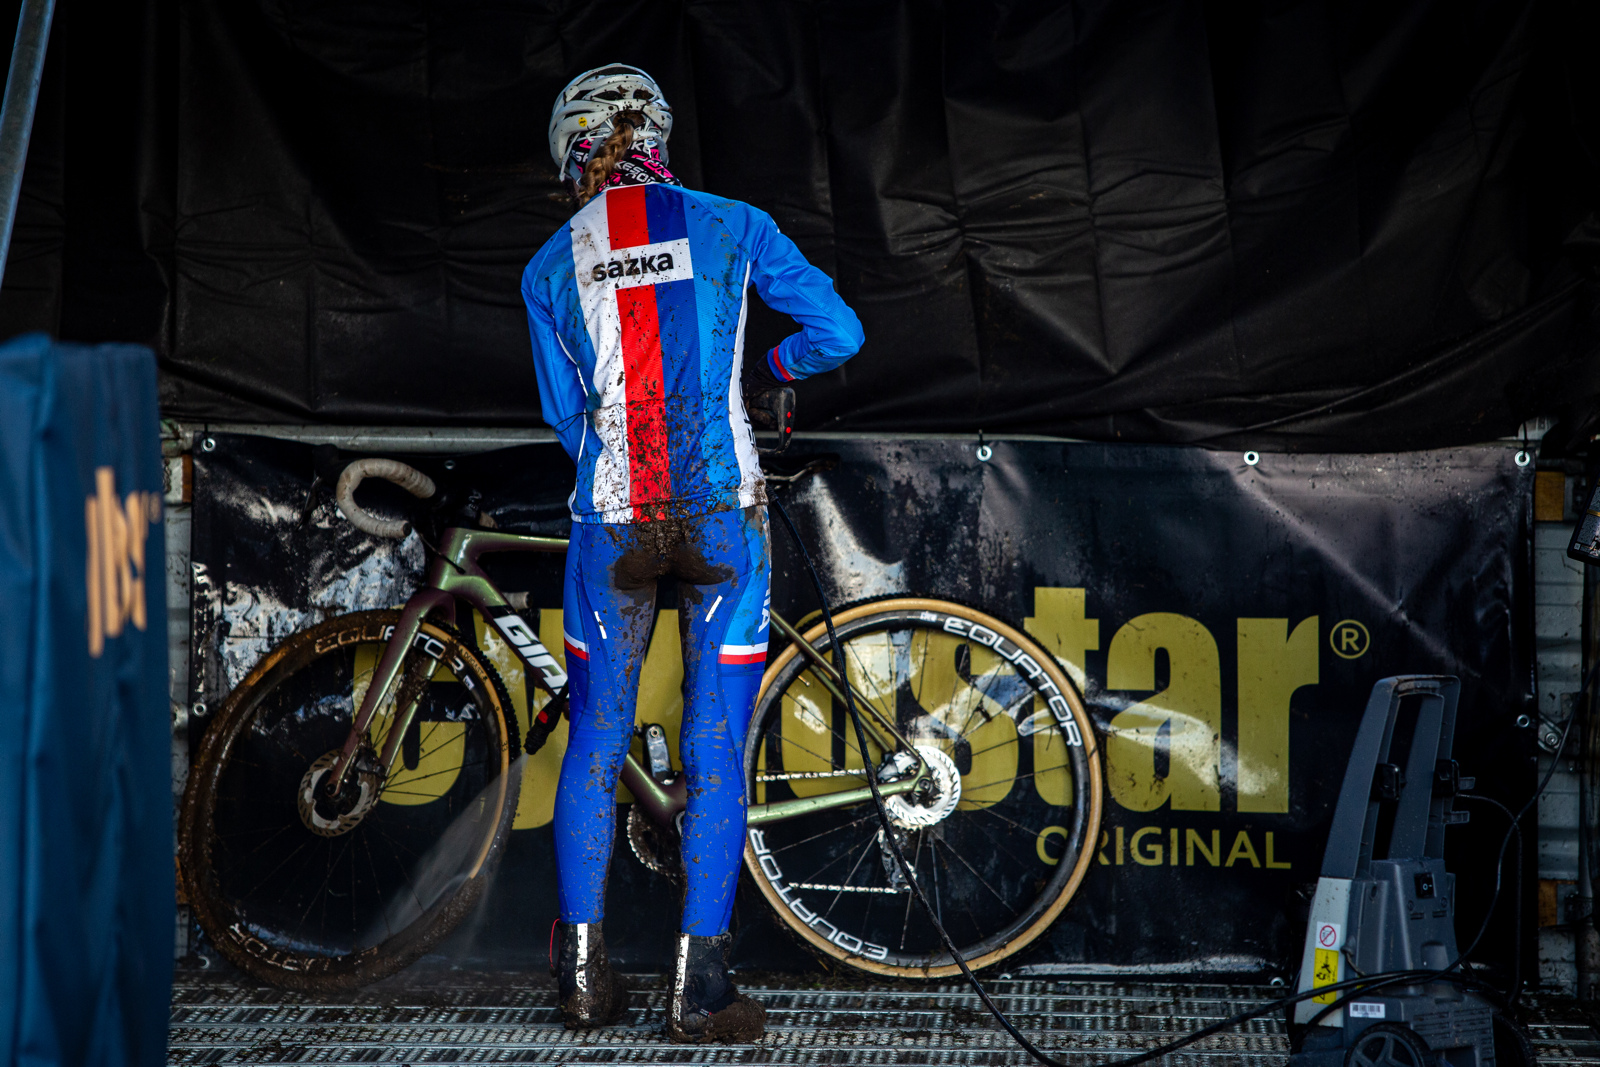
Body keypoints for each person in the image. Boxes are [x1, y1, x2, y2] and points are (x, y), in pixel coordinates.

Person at [521, 63, 864, 1044]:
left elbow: (565, 418)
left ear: (573, 154)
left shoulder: (547, 265)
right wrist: (771, 368)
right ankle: (700, 990)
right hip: (722, 516)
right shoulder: (734, 224)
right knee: (715, 746)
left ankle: (582, 984)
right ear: (661, 137)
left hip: (612, 523)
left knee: (595, 741)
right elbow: (838, 332)